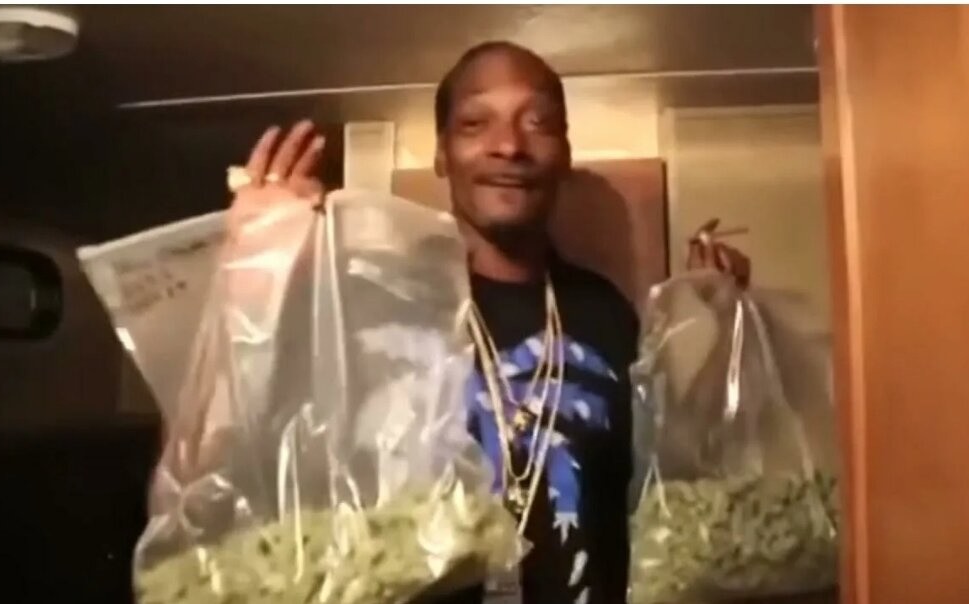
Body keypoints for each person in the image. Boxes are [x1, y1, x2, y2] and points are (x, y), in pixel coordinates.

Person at [226, 41, 748, 604]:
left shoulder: (607, 314)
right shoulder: (377, 302)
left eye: (538, 123)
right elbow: (244, 466)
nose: (509, 145)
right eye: (476, 123)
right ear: (442, 154)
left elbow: (671, 488)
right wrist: (256, 278)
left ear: (564, 152)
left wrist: (715, 333)